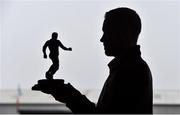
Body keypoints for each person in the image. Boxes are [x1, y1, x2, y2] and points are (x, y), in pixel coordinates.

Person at [33, 7, 153, 113]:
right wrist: (67, 94)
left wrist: (68, 95)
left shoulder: (130, 71)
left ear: (122, 33)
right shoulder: (131, 68)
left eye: (106, 32)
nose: (102, 39)